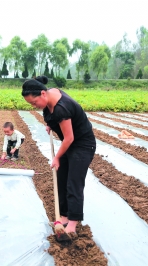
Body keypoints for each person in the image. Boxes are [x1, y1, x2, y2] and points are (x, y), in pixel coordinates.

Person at [21, 76, 96, 239]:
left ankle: (73, 223)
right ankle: (63, 217)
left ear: (42, 93)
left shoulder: (62, 107)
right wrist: (51, 124)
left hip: (82, 145)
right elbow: (56, 120)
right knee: (61, 179)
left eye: (34, 103)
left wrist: (56, 158)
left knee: (73, 182)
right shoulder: (51, 94)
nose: (34, 106)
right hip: (70, 144)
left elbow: (69, 138)